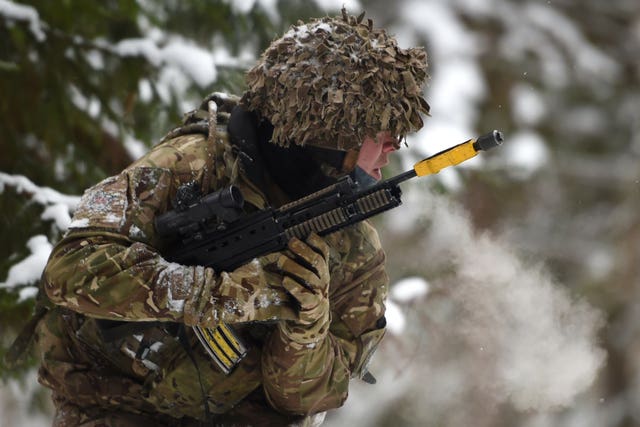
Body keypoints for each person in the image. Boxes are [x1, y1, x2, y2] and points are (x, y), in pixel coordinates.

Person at [34, 9, 430, 427]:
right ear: (332, 132)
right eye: (381, 132)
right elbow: (70, 268)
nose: (393, 147)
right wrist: (215, 294)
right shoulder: (190, 165)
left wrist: (305, 332)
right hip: (114, 405)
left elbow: (310, 399)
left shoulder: (354, 247)